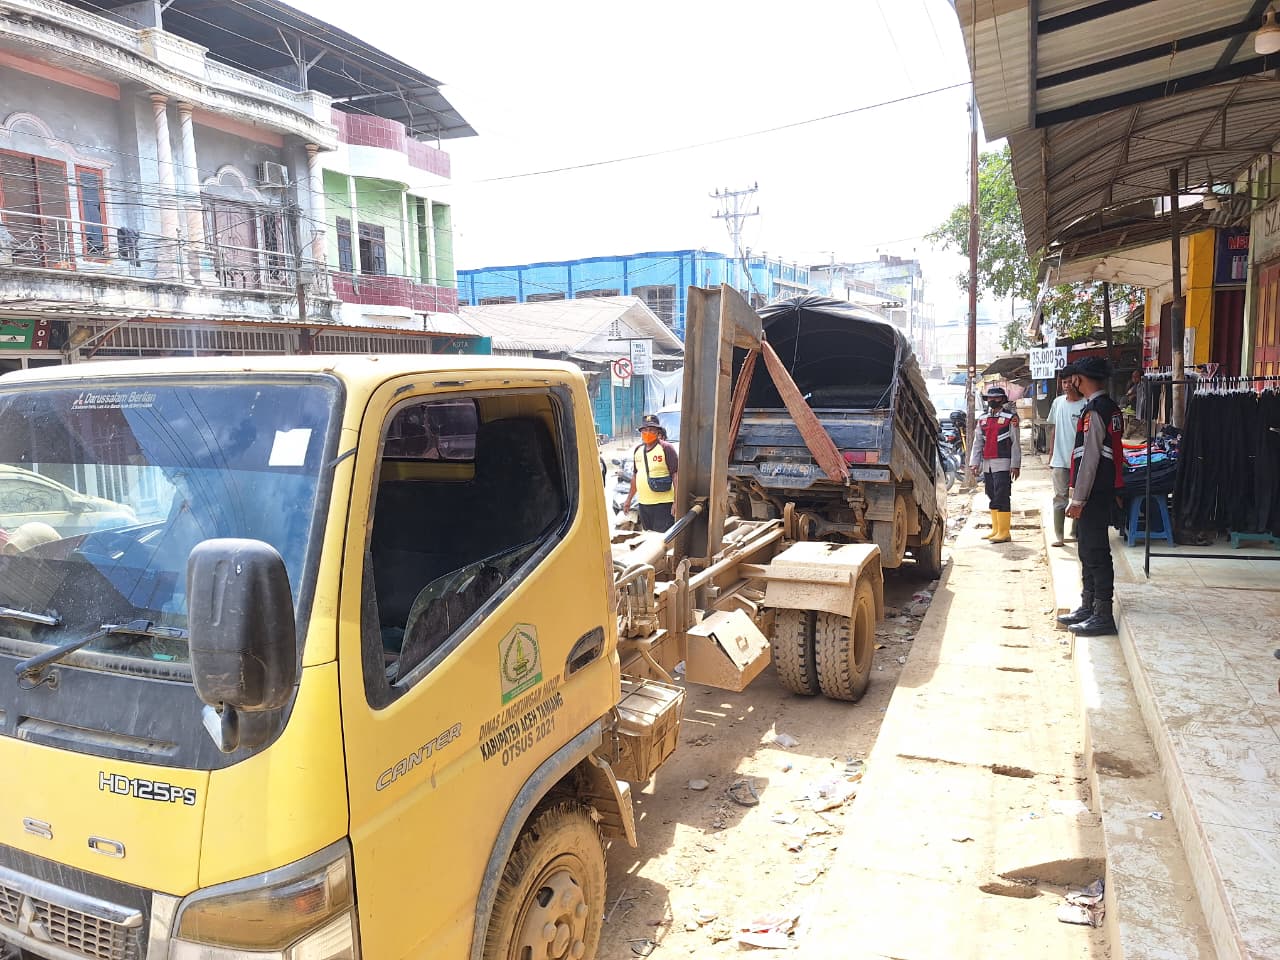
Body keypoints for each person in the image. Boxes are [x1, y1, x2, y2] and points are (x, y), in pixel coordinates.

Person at [1057, 357, 1125, 636]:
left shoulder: (1096, 411)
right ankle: (1088, 605)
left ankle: (1102, 613)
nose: (1073, 382)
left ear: (1081, 380)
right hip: (1101, 489)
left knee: (1095, 551)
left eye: (1075, 378)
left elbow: (1090, 459)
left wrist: (1078, 498)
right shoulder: (1107, 408)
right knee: (1086, 547)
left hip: (1095, 492)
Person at [969, 385, 1021, 543]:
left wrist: (1015, 464)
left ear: (1003, 399)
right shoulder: (983, 419)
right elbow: (978, 442)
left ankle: (1004, 532)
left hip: (1003, 462)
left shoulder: (1010, 418)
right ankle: (996, 529)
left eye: (996, 398)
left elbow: (1015, 443)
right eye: (990, 398)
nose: (992, 400)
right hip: (988, 463)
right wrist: (974, 463)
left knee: (1002, 495)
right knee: (991, 494)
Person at [1047, 371, 1087, 547]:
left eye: (1069, 382)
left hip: (1080, 459)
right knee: (1059, 497)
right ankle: (1059, 536)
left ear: (1077, 383)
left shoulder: (1086, 404)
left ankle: (1076, 531)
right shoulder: (1057, 403)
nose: (1066, 385)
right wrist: (1051, 453)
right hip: (1060, 458)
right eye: (1063, 382)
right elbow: (1054, 429)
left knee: (1080, 496)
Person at [622, 414, 678, 532]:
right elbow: (635, 476)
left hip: (663, 504)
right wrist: (628, 500)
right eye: (645, 430)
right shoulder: (638, 451)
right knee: (648, 536)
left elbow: (676, 475)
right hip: (643, 504)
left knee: (662, 539)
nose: (648, 433)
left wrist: (676, 502)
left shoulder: (666, 448)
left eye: (651, 430)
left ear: (658, 432)